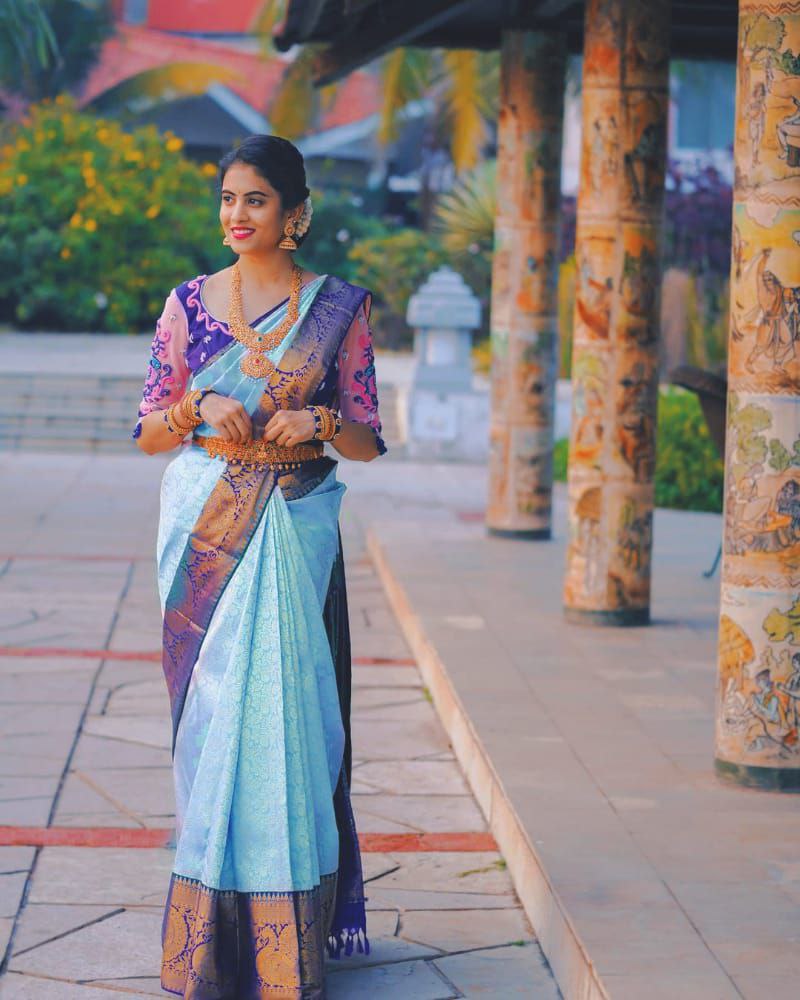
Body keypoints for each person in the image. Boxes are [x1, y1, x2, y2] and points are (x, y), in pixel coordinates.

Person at [133, 134, 386, 998]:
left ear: (294, 212)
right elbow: (147, 432)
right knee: (214, 725)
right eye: (229, 199)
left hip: (293, 521)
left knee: (293, 719)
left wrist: (316, 425)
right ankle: (211, 943)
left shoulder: (340, 309)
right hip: (207, 527)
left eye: (256, 201)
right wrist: (195, 402)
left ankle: (288, 942)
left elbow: (368, 439)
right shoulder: (189, 305)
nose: (236, 216)